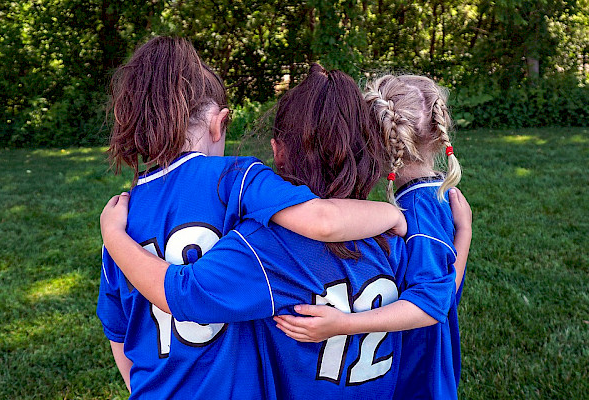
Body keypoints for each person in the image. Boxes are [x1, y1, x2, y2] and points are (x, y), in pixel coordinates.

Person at [100, 64, 471, 399]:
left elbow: (186, 294)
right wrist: (460, 234)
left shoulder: (266, 248)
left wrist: (114, 237)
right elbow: (437, 295)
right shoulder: (396, 237)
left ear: (278, 152)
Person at [274, 73, 472, 399]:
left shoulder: (420, 210)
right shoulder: (429, 197)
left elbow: (435, 301)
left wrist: (344, 324)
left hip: (419, 375)